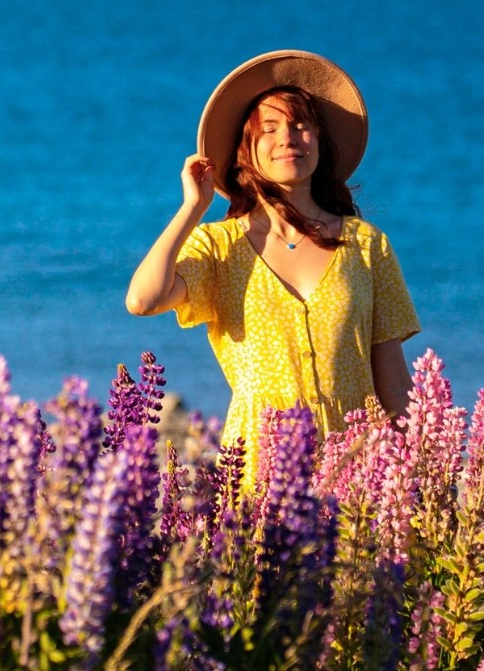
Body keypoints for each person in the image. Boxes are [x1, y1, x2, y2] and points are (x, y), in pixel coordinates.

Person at [124, 50, 419, 472]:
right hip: (261, 473)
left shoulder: (367, 245)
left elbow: (392, 377)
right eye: (270, 128)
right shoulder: (218, 246)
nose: (288, 138)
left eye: (301, 126)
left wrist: (424, 475)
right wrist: (192, 207)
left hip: (361, 472)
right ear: (246, 150)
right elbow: (143, 300)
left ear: (319, 140)